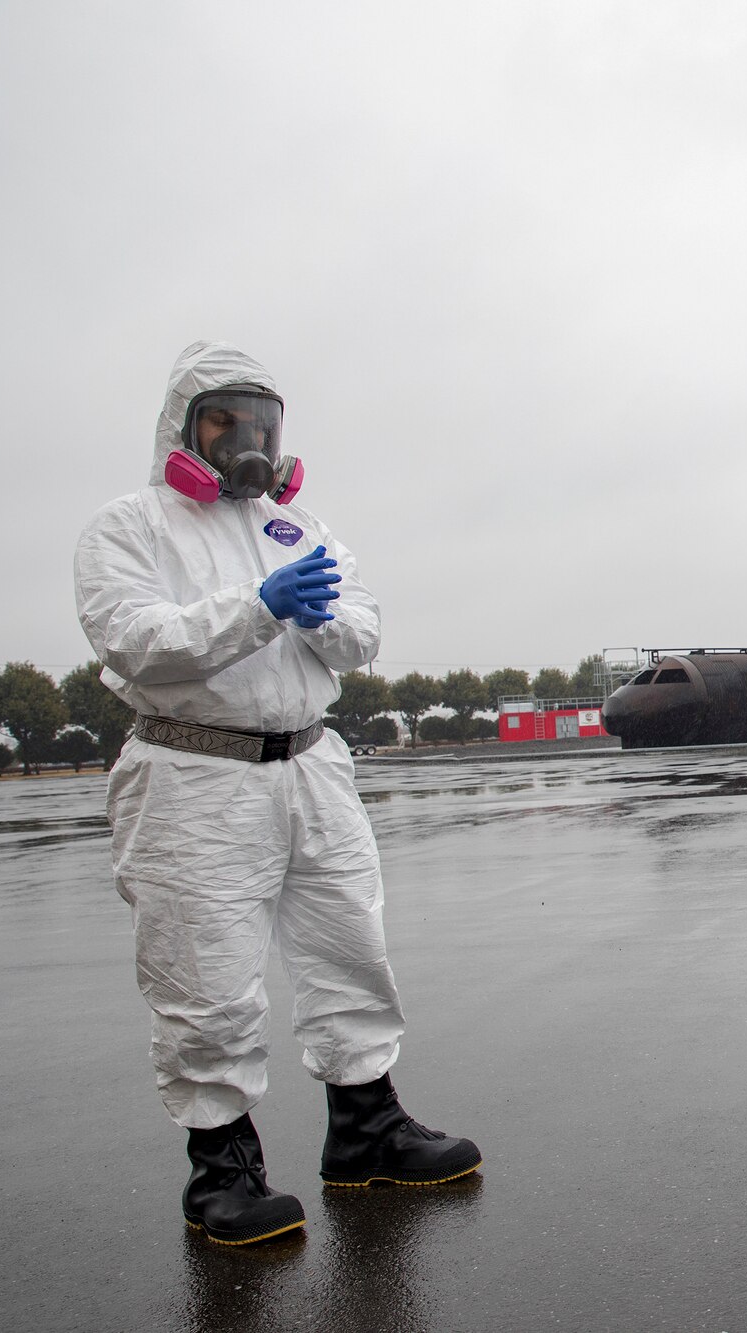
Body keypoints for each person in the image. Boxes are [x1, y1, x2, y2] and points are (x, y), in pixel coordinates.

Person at [73, 342, 479, 1246]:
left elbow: (364, 628)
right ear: (184, 426)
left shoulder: (296, 526)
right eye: (226, 419)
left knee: (351, 948)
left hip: (311, 762)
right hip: (193, 774)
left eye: (261, 420)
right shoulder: (129, 528)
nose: (248, 439)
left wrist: (319, 613)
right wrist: (260, 606)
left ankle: (366, 1129)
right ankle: (222, 1169)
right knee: (205, 975)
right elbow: (141, 641)